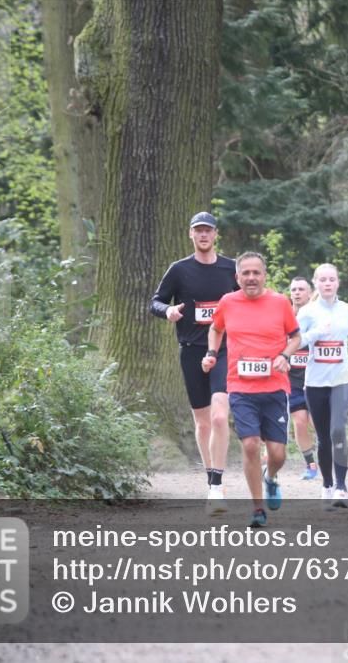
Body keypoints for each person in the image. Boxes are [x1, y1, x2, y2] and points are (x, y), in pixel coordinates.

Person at [202, 252, 301, 528]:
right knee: (249, 446)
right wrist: (212, 352)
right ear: (237, 278)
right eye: (245, 273)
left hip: (275, 387)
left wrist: (285, 355)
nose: (251, 278)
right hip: (241, 387)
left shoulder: (280, 303)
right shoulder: (228, 302)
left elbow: (296, 337)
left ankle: (271, 477)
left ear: (264, 275)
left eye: (256, 272)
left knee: (278, 453)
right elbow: (215, 328)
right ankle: (258, 509)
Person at [149, 211, 237, 513]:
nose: (203, 235)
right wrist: (168, 312)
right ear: (191, 235)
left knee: (218, 416)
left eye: (208, 231)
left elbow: (249, 301)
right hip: (191, 350)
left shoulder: (231, 269)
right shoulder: (179, 270)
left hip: (224, 351)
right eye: (198, 231)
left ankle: (217, 482)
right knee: (202, 421)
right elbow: (155, 302)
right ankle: (213, 481)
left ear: (215, 235)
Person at [297, 263, 348, 509]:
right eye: (323, 280)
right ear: (316, 283)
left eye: (332, 279)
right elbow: (296, 341)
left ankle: (341, 486)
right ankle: (327, 484)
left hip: (343, 376)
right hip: (316, 380)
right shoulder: (307, 312)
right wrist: (316, 333)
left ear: (338, 283)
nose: (328, 284)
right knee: (323, 437)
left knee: (337, 431)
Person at [288, 277, 319, 480]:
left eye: (301, 289)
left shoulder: (318, 316)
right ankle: (311, 465)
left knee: (318, 424)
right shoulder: (283, 316)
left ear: (310, 293)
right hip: (293, 382)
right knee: (299, 423)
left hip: (317, 380)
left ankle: (328, 458)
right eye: (293, 289)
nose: (297, 292)